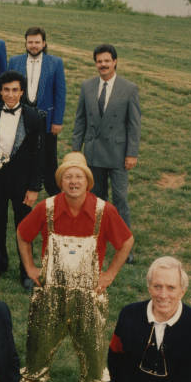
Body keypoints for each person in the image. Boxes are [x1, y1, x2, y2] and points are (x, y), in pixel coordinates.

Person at [16, 151, 134, 382]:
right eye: (68, 176)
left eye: (78, 176)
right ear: (61, 182)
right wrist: (30, 267)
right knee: (40, 335)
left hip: (88, 291)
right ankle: (32, 377)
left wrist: (110, 274)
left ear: (87, 181)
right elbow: (23, 235)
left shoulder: (104, 211)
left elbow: (126, 242)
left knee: (92, 340)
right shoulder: (46, 208)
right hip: (50, 289)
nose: (73, 181)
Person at [0, 70, 44, 284]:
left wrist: (34, 187)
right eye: (6, 90)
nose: (10, 94)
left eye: (15, 90)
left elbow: (38, 155)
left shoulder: (34, 117)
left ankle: (26, 270)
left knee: (23, 225)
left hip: (22, 182)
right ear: (0, 92)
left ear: (22, 92)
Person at [72, 43, 141, 244]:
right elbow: (80, 120)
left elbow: (134, 125)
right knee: (96, 199)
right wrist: (76, 151)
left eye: (107, 61)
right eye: (99, 61)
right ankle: (96, 238)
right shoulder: (87, 86)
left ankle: (124, 243)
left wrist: (132, 153)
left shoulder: (129, 88)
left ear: (115, 62)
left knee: (120, 200)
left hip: (119, 155)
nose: (103, 65)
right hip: (93, 154)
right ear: (95, 63)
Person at [7, 26, 66, 196]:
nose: (33, 45)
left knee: (49, 159)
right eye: (30, 42)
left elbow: (60, 94)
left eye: (37, 42)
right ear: (25, 43)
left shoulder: (55, 63)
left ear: (44, 43)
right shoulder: (15, 61)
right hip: (21, 119)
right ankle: (23, 190)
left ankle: (54, 194)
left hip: (47, 121)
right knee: (23, 156)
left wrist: (57, 121)